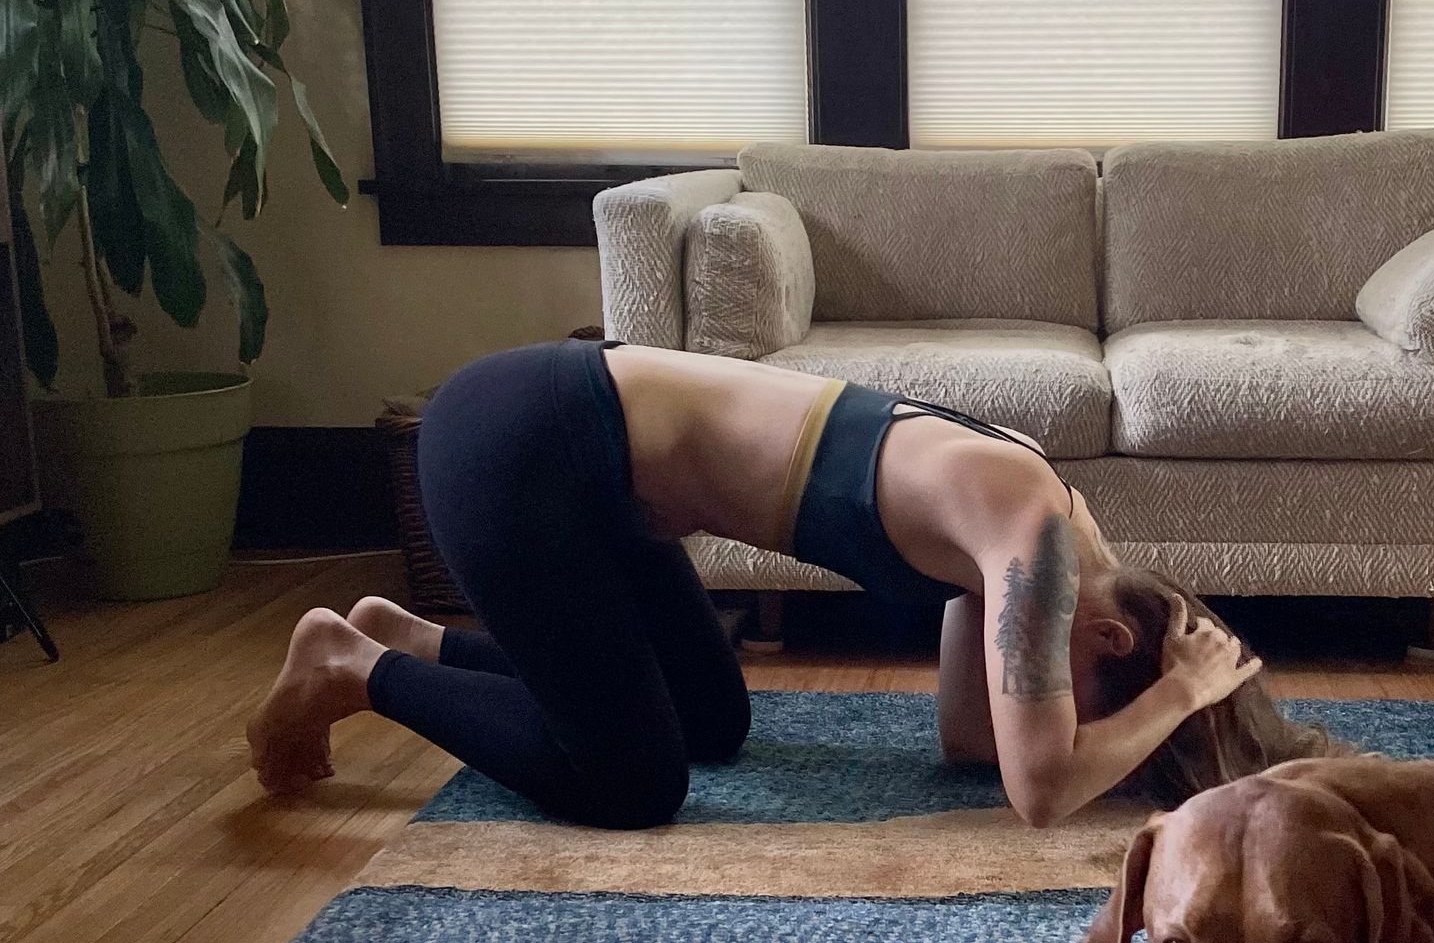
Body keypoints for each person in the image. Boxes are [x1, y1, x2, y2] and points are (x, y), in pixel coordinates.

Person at [248, 341, 1331, 828]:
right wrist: (1180, 699)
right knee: (634, 786)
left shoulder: (1030, 537)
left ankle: (415, 637)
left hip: (594, 471)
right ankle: (358, 663)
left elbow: (973, 743)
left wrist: (1151, 709)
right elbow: (1040, 790)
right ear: (1101, 644)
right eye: (1104, 697)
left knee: (713, 720)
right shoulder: (1037, 546)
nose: (1057, 707)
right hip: (524, 443)